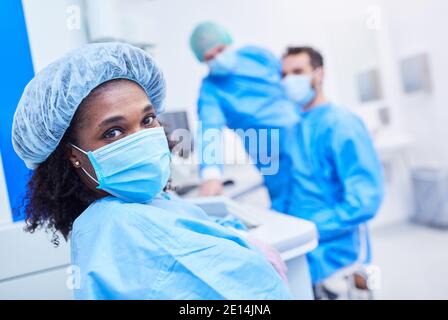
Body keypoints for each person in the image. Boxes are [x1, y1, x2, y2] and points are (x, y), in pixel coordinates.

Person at [12, 42, 292, 300]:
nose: (142, 137)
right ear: (74, 155)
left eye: (148, 119)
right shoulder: (120, 228)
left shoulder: (141, 204)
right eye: (113, 132)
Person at [281, 46, 384, 296]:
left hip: (334, 247)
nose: (289, 80)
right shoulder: (295, 127)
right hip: (302, 242)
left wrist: (312, 228)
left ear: (319, 74)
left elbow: (365, 199)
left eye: (298, 71)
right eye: (284, 75)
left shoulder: (342, 124)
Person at [190, 22, 300, 212]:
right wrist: (211, 175)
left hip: (305, 139)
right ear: (203, 60)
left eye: (220, 50)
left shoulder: (256, 56)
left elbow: (291, 82)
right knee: (292, 211)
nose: (218, 58)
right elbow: (209, 129)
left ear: (228, 42)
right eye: (210, 56)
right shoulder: (211, 90)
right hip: (273, 157)